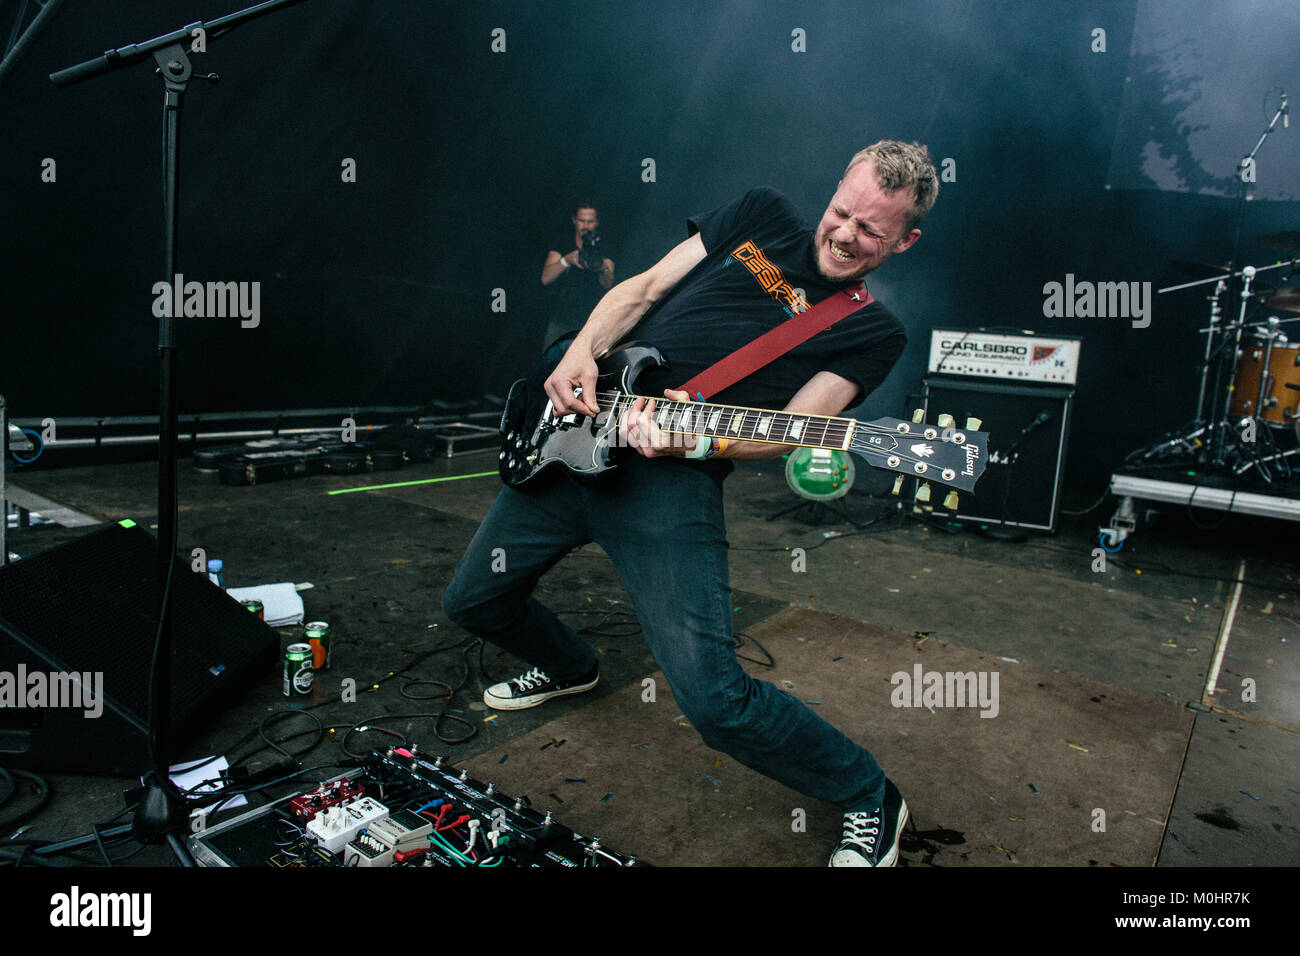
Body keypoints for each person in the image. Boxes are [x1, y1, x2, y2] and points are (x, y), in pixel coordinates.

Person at [443, 141, 938, 867]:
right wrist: (581, 349)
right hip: (574, 442)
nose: (844, 235)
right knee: (471, 602)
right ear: (833, 191)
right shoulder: (760, 214)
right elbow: (640, 291)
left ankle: (871, 795)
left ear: (905, 240)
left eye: (872, 232)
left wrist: (693, 444)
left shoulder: (871, 330)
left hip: (668, 485)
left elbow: (795, 430)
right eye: (842, 213)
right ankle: (572, 664)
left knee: (715, 702)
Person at [540, 202, 616, 346]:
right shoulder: (563, 243)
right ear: (574, 220)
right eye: (582, 220)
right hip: (561, 317)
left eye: (590, 221)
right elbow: (546, 278)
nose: (585, 226)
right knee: (553, 361)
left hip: (591, 319)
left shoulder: (605, 246)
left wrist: (602, 267)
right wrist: (567, 260)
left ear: (597, 222)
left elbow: (607, 283)